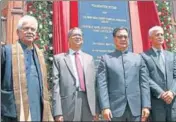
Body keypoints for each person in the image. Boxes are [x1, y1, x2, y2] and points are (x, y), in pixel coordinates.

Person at [1, 15, 53, 121]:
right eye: (26, 28)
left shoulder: (39, 55)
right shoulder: (7, 52)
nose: (30, 31)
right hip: (14, 109)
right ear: (18, 32)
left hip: (37, 108)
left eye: (33, 29)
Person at [96, 27, 151, 121]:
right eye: (120, 36)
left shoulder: (138, 58)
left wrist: (146, 105)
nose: (123, 39)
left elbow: (144, 83)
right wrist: (105, 107)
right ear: (114, 39)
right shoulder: (105, 59)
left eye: (125, 37)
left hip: (136, 109)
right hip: (114, 109)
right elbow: (102, 85)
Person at [52, 27, 99, 121]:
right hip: (68, 104)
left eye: (80, 35)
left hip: (88, 103)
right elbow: (55, 87)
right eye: (75, 35)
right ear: (68, 39)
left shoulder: (89, 59)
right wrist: (58, 112)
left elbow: (95, 85)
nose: (78, 37)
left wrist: (96, 109)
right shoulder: (59, 59)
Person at [141, 26, 176, 121]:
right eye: (157, 35)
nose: (160, 36)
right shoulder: (144, 56)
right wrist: (161, 93)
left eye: (162, 34)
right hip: (157, 103)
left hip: (172, 103)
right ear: (150, 38)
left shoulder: (171, 55)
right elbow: (145, 78)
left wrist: (172, 92)